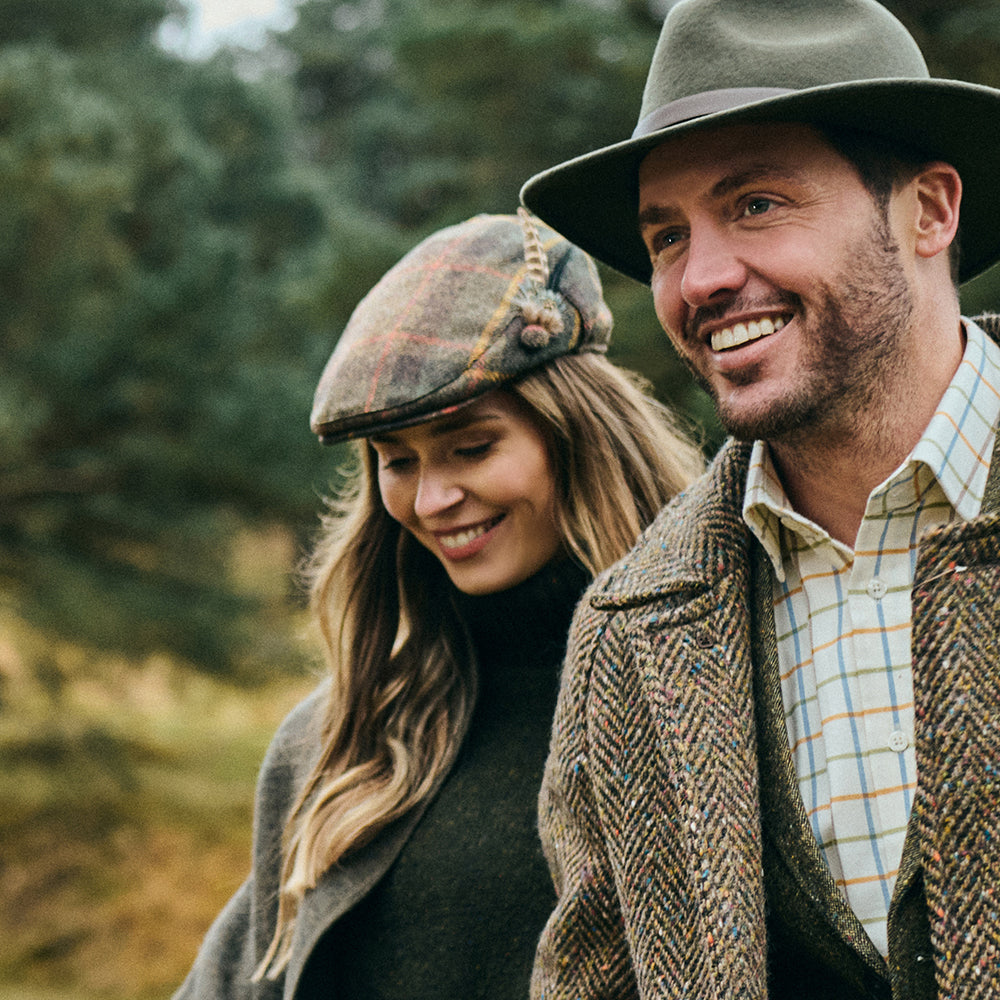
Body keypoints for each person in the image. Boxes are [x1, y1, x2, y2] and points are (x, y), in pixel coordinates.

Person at [518, 0, 1000, 997]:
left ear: (929, 210)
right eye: (663, 237)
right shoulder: (629, 631)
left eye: (756, 205)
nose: (700, 278)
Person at [171, 210, 703, 1000]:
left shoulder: (715, 688)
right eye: (396, 461)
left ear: (581, 435)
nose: (433, 498)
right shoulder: (344, 734)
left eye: (472, 447)